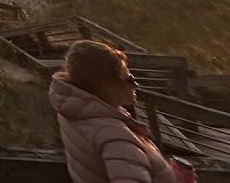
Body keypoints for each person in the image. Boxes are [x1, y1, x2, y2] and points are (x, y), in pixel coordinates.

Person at [50, 39, 191, 182]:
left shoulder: (75, 111)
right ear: (107, 85)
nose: (135, 84)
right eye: (129, 78)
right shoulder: (116, 137)